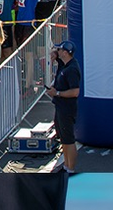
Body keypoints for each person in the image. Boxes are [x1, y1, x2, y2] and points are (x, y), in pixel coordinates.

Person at [47, 40, 81, 173]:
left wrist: (57, 93)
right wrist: (55, 54)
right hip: (60, 106)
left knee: (68, 139)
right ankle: (66, 165)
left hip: (67, 108)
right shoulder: (64, 64)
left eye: (60, 50)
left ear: (66, 53)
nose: (58, 51)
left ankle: (71, 168)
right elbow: (57, 57)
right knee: (63, 139)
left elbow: (75, 92)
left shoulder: (72, 69)